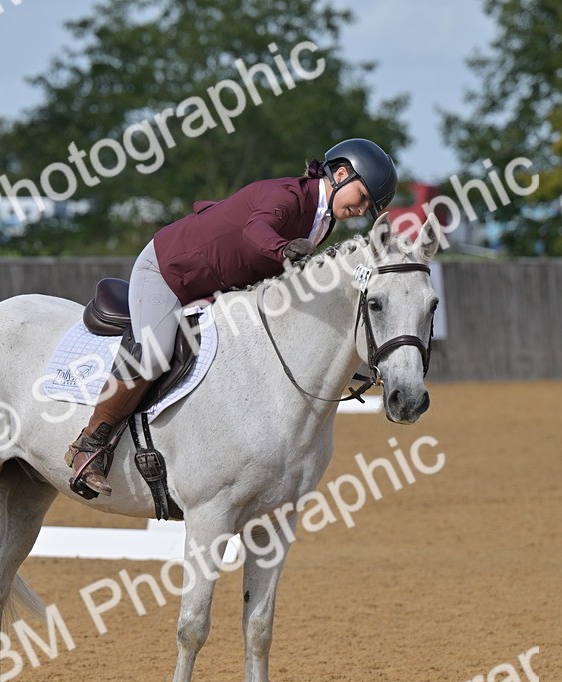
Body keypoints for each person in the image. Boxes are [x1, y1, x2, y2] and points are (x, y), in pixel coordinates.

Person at [66, 138, 398, 498]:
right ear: (342, 173)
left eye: (367, 207)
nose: (361, 209)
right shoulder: (289, 195)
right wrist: (284, 249)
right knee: (156, 351)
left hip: (213, 287)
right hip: (169, 271)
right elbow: (254, 232)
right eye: (362, 197)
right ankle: (90, 444)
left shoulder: (323, 220)